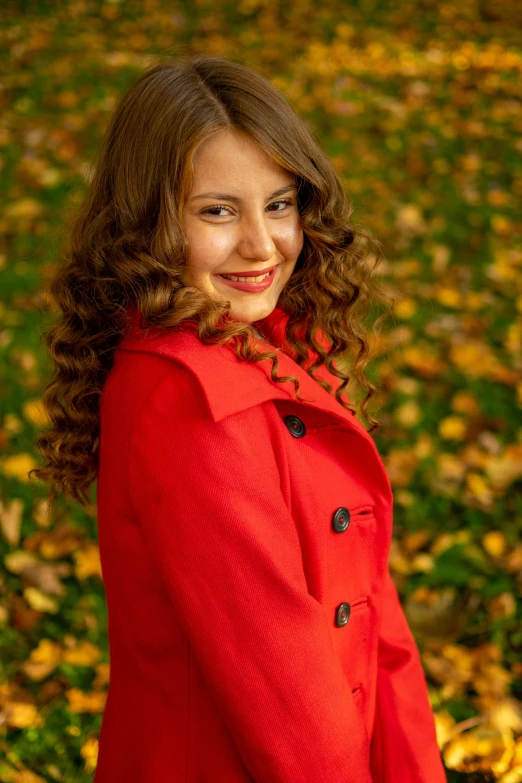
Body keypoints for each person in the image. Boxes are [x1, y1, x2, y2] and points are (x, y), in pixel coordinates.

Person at [30, 54, 447, 782]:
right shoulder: (193, 405)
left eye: (280, 204)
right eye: (218, 211)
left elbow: (372, 609)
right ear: (148, 221)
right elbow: (284, 698)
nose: (262, 246)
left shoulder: (266, 349)